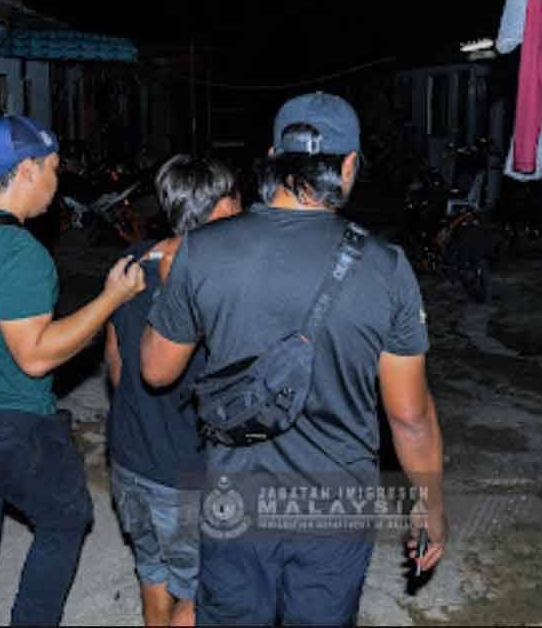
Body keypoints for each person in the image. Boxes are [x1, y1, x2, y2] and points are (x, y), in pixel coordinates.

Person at [141, 92, 447, 626]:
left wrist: (162, 295)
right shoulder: (386, 267)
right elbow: (409, 416)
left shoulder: (202, 250)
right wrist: (431, 505)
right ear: (349, 166)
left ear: (273, 158)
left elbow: (157, 369)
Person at [0, 114, 146, 626]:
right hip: (8, 425)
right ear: (26, 170)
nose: (57, 183)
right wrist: (110, 298)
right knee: (67, 519)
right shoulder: (21, 253)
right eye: (53, 169)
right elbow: (36, 355)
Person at [104, 155, 241, 627]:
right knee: (211, 590)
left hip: (129, 460)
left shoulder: (132, 263)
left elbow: (118, 367)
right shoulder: (217, 283)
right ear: (221, 208)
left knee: (154, 573)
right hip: (185, 473)